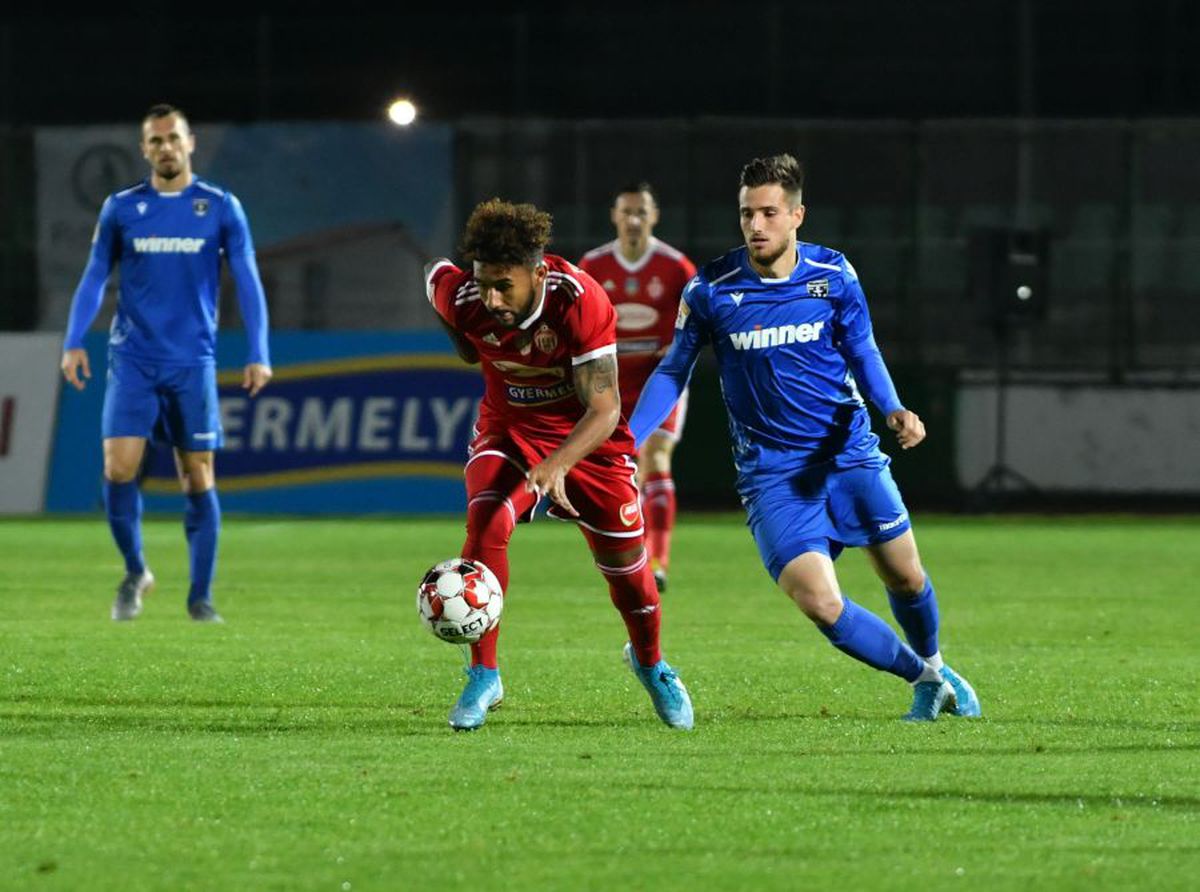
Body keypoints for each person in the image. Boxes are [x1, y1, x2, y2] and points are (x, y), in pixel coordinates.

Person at [628, 154, 981, 721]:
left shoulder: (833, 275)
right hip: (771, 474)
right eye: (747, 213)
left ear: (797, 215)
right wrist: (627, 439)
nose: (755, 225)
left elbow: (862, 347)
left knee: (906, 576)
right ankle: (927, 678)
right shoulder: (711, 289)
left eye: (769, 213)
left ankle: (936, 660)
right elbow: (673, 371)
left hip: (848, 454)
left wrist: (893, 407)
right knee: (819, 601)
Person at [425, 198, 692, 732]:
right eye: (484, 283)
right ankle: (484, 674)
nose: (492, 299)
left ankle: (650, 663)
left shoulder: (579, 301)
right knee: (487, 521)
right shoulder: (465, 296)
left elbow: (605, 409)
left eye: (505, 286)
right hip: (508, 429)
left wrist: (557, 464)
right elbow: (435, 278)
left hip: (587, 440)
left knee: (632, 578)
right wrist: (466, 342)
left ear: (538, 274)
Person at [60, 104, 271, 624]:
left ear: (190, 142)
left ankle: (200, 598)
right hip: (132, 357)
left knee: (197, 475)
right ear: (144, 150)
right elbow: (94, 275)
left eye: (173, 137)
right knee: (117, 467)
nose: (166, 147)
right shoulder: (121, 207)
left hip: (191, 362)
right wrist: (73, 340)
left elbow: (247, 279)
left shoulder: (219, 206)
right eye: (155, 141)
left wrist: (259, 351)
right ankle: (136, 572)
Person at [579, 183, 696, 592]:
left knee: (656, 456)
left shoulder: (676, 268)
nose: (633, 220)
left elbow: (698, 323)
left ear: (654, 217)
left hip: (659, 381)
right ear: (614, 216)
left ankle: (658, 562)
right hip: (610, 383)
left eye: (641, 212)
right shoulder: (592, 266)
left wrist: (678, 346)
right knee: (617, 471)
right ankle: (627, 556)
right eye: (626, 212)